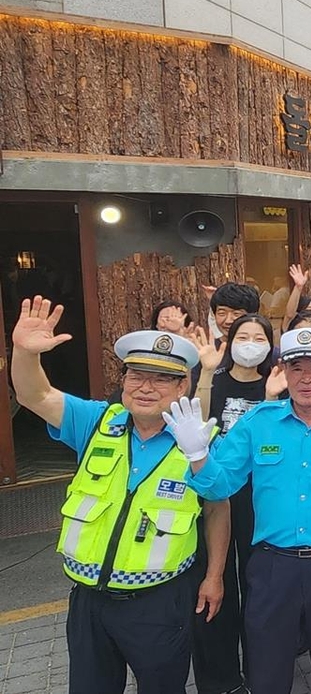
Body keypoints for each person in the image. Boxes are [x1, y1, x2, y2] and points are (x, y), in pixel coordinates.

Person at [10, 297, 229, 694]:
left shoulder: (200, 438)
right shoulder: (97, 421)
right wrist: (24, 353)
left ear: (184, 385)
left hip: (160, 602)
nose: (145, 387)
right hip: (89, 601)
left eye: (161, 378)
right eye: (136, 375)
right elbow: (35, 396)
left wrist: (214, 576)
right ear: (123, 380)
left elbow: (216, 508)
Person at [177, 327, 311, 694]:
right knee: (267, 670)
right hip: (273, 567)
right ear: (283, 372)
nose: (307, 378)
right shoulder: (258, 423)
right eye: (296, 367)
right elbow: (220, 486)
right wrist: (198, 457)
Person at [192, 314, 287, 694]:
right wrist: (204, 373)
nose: (250, 343)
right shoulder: (213, 380)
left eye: (258, 337)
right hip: (214, 493)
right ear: (228, 341)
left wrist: (270, 398)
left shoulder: (276, 382)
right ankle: (219, 678)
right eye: (242, 336)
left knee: (258, 584)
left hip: (260, 497)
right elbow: (194, 425)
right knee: (213, 579)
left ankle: (262, 670)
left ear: (269, 344)